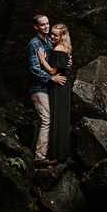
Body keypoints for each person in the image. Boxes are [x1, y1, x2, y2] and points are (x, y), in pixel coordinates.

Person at [27, 14, 66, 167]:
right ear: (36, 27)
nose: (46, 27)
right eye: (42, 25)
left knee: (42, 121)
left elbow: (58, 57)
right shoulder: (34, 44)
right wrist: (51, 78)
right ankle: (39, 156)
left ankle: (34, 153)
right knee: (46, 119)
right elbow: (34, 69)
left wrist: (67, 60)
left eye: (47, 23)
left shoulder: (50, 41)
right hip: (38, 88)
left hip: (49, 89)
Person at [39, 23, 73, 162]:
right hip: (64, 85)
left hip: (58, 85)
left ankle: (55, 154)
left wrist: (42, 60)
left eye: (55, 35)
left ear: (61, 37)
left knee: (57, 117)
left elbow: (53, 71)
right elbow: (67, 66)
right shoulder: (66, 48)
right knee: (62, 118)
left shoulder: (58, 49)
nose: (51, 36)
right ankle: (62, 153)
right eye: (51, 33)